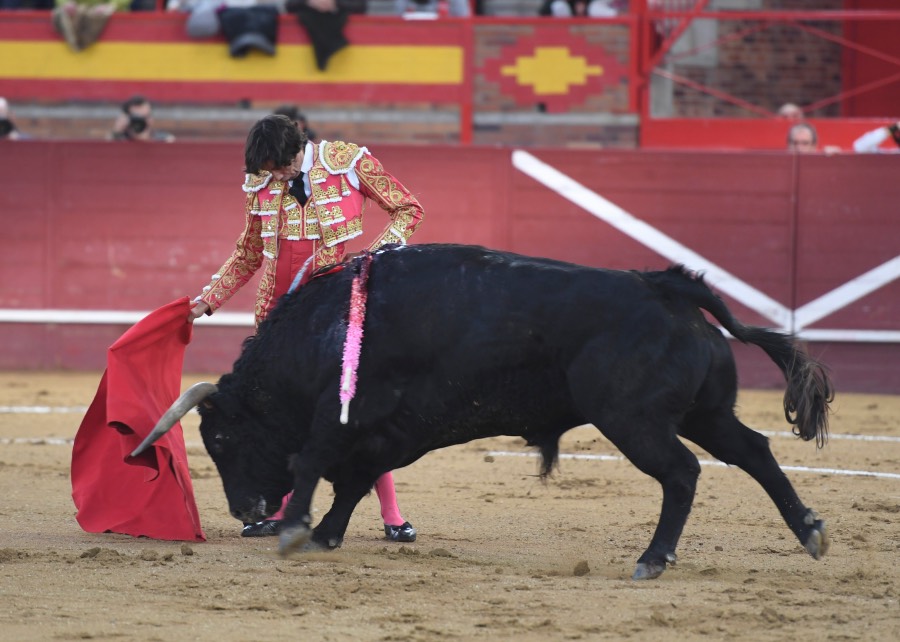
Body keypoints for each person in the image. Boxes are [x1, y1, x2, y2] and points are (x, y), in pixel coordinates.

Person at [188, 114, 424, 542]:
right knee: (283, 413)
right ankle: (280, 509)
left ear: (299, 149)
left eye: (282, 167)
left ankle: (391, 512)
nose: (277, 176)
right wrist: (209, 299)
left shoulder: (347, 162)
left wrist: (371, 260)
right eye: (270, 170)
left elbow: (408, 208)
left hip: (332, 312)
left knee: (358, 406)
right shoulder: (260, 182)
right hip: (277, 317)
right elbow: (249, 253)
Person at [109, 95, 176, 142]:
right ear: (127, 119)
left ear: (151, 119)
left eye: (143, 117)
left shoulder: (163, 140)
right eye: (135, 117)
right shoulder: (120, 140)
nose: (139, 122)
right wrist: (116, 131)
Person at [538, 0, 618, 17]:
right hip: (562, 31)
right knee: (559, 6)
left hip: (592, 34)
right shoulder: (556, 3)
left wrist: (584, 8)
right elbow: (542, 12)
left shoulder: (593, 5)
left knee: (594, 9)